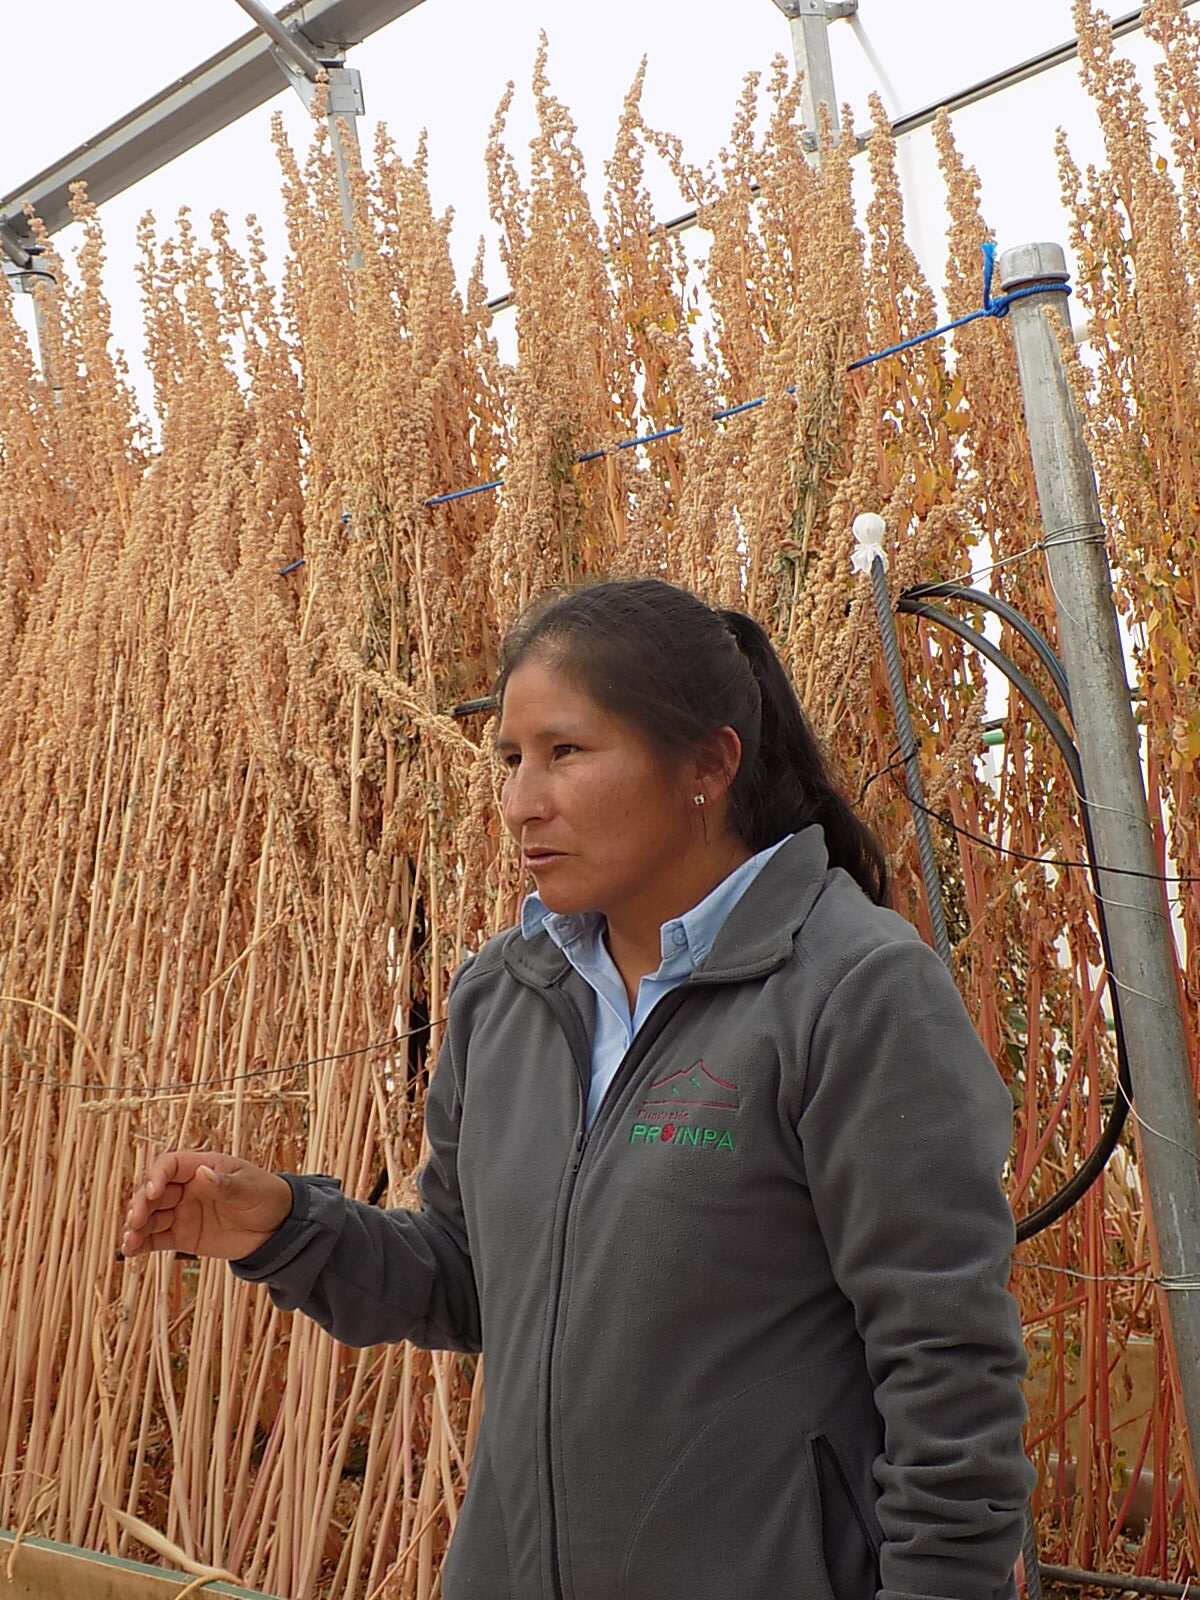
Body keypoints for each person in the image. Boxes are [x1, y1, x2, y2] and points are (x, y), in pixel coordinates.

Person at [123, 578, 1035, 1600]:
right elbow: (470, 1279)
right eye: (511, 758)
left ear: (708, 765)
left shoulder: (853, 993)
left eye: (566, 751)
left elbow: (949, 1378)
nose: (522, 800)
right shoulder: (505, 995)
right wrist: (289, 1228)